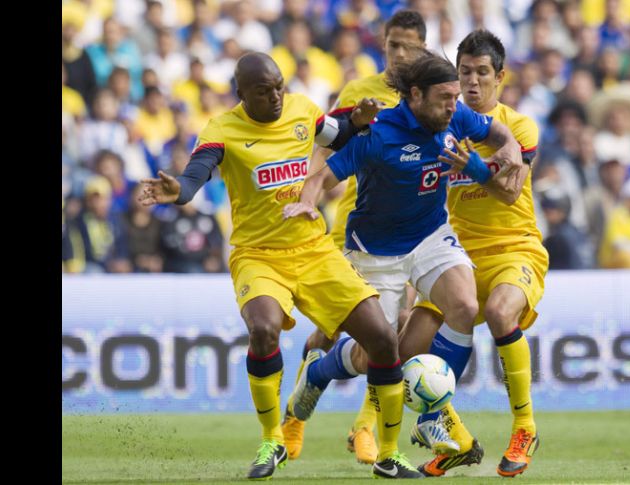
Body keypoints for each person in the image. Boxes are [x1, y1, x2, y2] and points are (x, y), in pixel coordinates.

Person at [138, 52, 422, 480]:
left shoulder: (302, 110)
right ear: (241, 95)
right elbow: (196, 174)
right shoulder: (221, 129)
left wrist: (359, 122)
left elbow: (338, 135)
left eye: (278, 87)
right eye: (262, 91)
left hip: (313, 248)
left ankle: (388, 453)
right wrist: (179, 190)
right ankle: (272, 438)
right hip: (258, 255)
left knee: (383, 338)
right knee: (264, 328)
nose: (274, 97)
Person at [282, 49, 524, 465]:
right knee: (377, 353)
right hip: (376, 252)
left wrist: (511, 152)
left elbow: (498, 131)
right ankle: (318, 373)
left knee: (465, 305)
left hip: (430, 234)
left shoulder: (455, 116)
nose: (455, 105)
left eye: (455, 97)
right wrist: (307, 202)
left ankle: (433, 416)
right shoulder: (379, 134)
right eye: (444, 97)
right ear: (415, 94)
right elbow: (324, 175)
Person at [279, 9, 428, 466]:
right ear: (382, 44)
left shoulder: (430, 94)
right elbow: (327, 144)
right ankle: (296, 414)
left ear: (422, 47)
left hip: (407, 229)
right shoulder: (359, 92)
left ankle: (365, 426)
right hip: (355, 225)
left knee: (394, 327)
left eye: (408, 46)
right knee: (331, 328)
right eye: (392, 45)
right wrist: (312, 189)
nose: (399, 54)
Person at [399, 30, 546, 478]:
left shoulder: (518, 127)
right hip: (456, 256)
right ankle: (457, 440)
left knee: (503, 314)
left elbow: (508, 192)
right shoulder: (439, 125)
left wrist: (473, 166)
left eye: (483, 73)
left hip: (513, 249)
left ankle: (525, 427)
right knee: (407, 352)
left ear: (500, 77)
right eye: (465, 73)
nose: (473, 82)